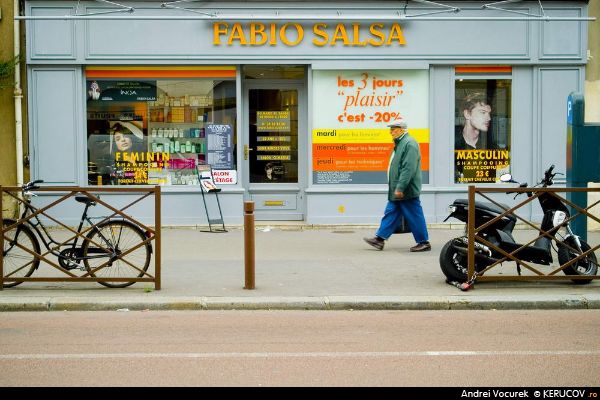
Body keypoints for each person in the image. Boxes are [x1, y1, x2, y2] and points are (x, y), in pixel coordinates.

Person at [363, 121, 431, 252]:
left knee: (414, 214)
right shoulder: (401, 143)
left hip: (406, 190)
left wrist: (400, 187)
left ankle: (424, 242)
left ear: (401, 130)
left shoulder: (409, 143)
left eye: (393, 129)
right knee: (391, 212)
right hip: (399, 189)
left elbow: (408, 168)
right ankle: (379, 239)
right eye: (391, 129)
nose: (391, 132)